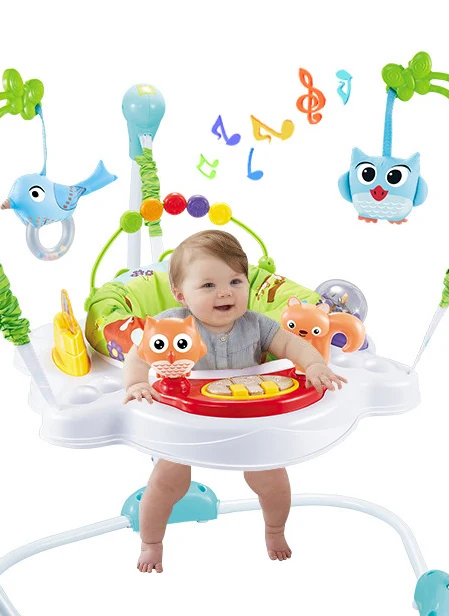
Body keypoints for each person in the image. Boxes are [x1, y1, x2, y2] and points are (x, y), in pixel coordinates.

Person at [122, 230, 346, 572]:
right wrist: (138, 383)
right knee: (168, 481)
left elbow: (292, 344)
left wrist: (314, 364)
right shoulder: (172, 325)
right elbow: (138, 356)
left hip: (250, 418)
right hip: (189, 420)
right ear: (181, 294)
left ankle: (275, 530)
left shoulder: (256, 324)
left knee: (271, 478)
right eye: (208, 285)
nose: (225, 292)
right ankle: (151, 543)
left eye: (235, 281)